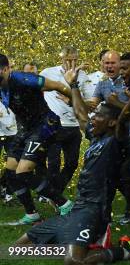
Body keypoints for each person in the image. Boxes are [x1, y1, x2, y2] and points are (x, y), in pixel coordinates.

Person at [15, 62, 130, 265]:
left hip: (94, 211)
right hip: (77, 208)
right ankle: (74, 244)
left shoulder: (116, 140)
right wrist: (74, 85)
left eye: (99, 117)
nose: (93, 119)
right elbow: (80, 114)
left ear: (112, 123)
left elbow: (125, 117)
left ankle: (120, 251)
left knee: (74, 262)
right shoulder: (95, 136)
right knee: (17, 249)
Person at [0, 53, 74, 224]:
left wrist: (74, 100)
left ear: (5, 69)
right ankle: (32, 214)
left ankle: (65, 204)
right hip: (25, 129)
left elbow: (57, 85)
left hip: (45, 125)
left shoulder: (24, 79)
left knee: (23, 172)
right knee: (11, 172)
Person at [90, 51, 130, 225]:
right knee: (111, 173)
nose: (110, 66)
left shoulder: (129, 80)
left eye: (113, 63)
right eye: (106, 63)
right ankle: (111, 211)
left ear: (120, 64)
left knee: (128, 173)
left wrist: (116, 104)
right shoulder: (103, 82)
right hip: (113, 135)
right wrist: (71, 95)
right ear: (101, 65)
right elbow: (93, 103)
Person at [41, 46, 88, 193]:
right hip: (54, 125)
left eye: (75, 60)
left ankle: (55, 191)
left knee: (72, 163)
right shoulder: (48, 73)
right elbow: (36, 92)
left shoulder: (83, 76)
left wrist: (70, 98)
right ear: (61, 58)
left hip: (73, 124)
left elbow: (86, 102)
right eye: (68, 60)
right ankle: (53, 194)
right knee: (53, 162)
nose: (72, 63)